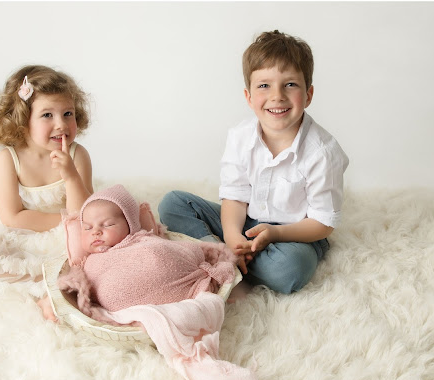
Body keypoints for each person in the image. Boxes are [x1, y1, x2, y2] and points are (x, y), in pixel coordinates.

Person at [158, 30, 349, 295]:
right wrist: (233, 235)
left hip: (295, 236)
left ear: (308, 94)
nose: (277, 96)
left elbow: (322, 223)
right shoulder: (240, 137)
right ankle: (222, 252)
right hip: (247, 223)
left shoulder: (322, 152)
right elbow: (235, 197)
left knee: (290, 270)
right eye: (264, 86)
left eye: (290, 84)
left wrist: (275, 234)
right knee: (173, 203)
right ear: (249, 97)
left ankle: (228, 262)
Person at [0, 65, 93, 317]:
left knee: (90, 260)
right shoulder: (9, 159)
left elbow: (84, 213)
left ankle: (57, 288)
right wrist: (63, 221)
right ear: (22, 119)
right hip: (23, 233)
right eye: (47, 115)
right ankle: (44, 283)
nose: (61, 124)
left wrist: (70, 175)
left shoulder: (77, 155)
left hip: (67, 236)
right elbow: (12, 217)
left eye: (67, 113)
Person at [56, 185, 237, 322]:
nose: (96, 232)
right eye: (87, 228)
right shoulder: (89, 262)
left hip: (159, 265)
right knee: (110, 292)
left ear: (129, 224)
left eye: (107, 224)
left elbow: (164, 251)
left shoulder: (143, 240)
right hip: (118, 290)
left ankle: (192, 283)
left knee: (159, 257)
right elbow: (82, 288)